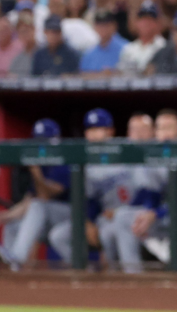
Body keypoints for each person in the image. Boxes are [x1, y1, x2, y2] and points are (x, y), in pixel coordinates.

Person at [104, 109, 177, 273]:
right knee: (123, 217)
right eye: (160, 128)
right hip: (167, 214)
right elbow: (153, 194)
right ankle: (133, 275)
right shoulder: (156, 155)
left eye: (169, 127)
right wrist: (149, 211)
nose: (164, 133)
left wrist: (156, 213)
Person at [48, 109, 136, 266]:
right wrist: (88, 222)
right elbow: (88, 200)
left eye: (98, 129)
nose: (93, 135)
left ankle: (126, 276)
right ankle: (86, 274)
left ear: (110, 131)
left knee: (110, 233)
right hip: (104, 218)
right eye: (90, 130)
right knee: (58, 236)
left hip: (131, 212)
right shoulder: (85, 161)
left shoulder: (127, 149)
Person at [0, 119, 71, 270]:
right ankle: (11, 267)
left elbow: (46, 195)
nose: (40, 146)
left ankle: (17, 257)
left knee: (38, 206)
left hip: (72, 216)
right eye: (38, 141)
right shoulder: (42, 164)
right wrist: (5, 217)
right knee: (12, 225)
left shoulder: (65, 160)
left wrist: (35, 171)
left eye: (44, 141)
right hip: (49, 220)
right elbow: (28, 203)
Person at [117, 0, 166, 75]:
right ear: (137, 23)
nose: (146, 23)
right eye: (142, 19)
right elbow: (121, 75)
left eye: (150, 19)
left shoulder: (164, 47)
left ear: (157, 23)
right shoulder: (129, 49)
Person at [79, 10, 127, 75]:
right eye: (99, 25)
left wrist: (113, 73)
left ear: (114, 25)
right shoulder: (89, 53)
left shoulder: (126, 49)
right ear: (95, 27)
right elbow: (83, 75)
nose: (103, 28)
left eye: (106, 25)